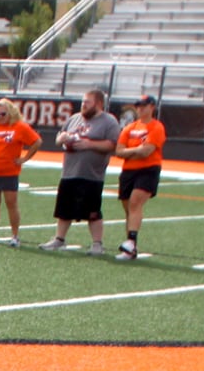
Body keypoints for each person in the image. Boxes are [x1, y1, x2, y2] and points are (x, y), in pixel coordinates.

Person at [43, 88, 119, 254]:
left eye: (87, 102)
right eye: (83, 101)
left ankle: (97, 244)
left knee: (92, 212)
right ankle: (59, 239)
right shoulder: (74, 119)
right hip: (70, 171)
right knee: (64, 210)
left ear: (98, 103)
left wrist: (89, 144)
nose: (83, 105)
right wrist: (62, 139)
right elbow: (60, 137)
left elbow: (113, 145)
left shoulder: (109, 121)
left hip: (92, 174)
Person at [0, 98, 39, 246]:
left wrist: (24, 159)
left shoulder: (20, 127)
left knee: (11, 203)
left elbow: (36, 141)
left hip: (9, 171)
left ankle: (15, 236)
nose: (0, 117)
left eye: (3, 114)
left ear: (11, 112)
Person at [114, 95, 166, 260]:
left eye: (144, 105)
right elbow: (119, 151)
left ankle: (131, 240)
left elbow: (147, 151)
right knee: (128, 208)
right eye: (138, 106)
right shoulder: (129, 128)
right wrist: (136, 150)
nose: (140, 108)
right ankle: (131, 249)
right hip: (129, 170)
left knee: (135, 202)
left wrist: (132, 151)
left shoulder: (157, 127)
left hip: (148, 169)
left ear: (152, 107)